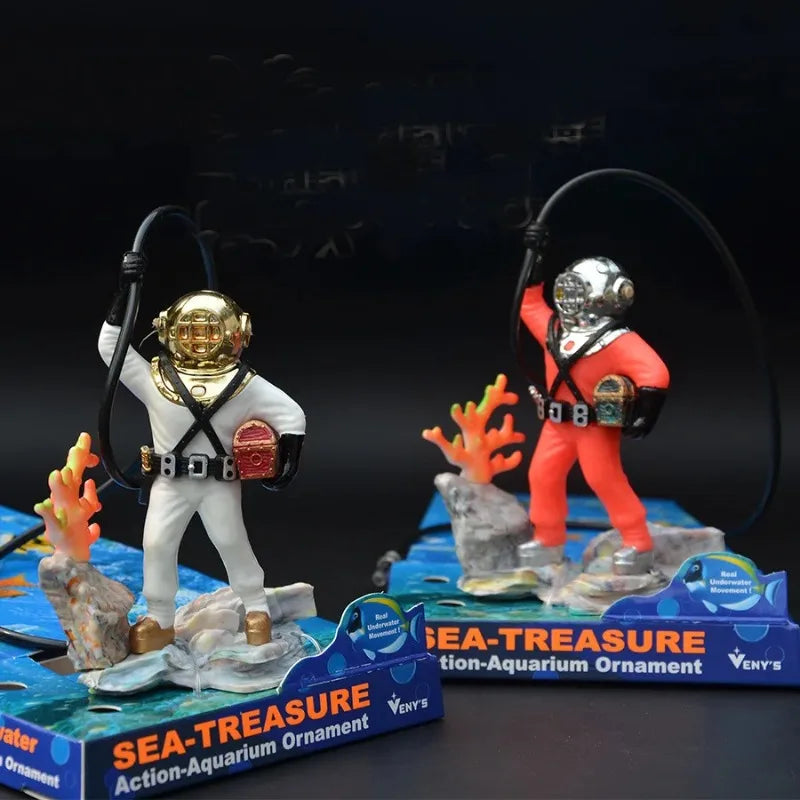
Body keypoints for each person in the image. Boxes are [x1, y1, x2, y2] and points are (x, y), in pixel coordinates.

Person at [99, 251, 305, 653]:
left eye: (209, 329)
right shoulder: (156, 378)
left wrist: (285, 462)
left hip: (218, 484)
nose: (200, 338)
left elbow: (291, 415)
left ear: (236, 333)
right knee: (157, 544)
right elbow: (111, 346)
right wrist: (125, 292)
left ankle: (256, 609)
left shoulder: (245, 385)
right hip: (169, 482)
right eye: (191, 329)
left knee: (231, 541)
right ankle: (160, 618)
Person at [517, 235, 668, 575]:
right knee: (542, 475)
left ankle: (637, 541)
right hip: (557, 424)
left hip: (593, 427)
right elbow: (528, 304)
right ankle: (548, 539)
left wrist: (644, 414)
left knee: (603, 479)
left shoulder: (616, 341)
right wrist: (535, 258)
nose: (572, 296)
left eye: (579, 289)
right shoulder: (555, 331)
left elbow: (654, 373)